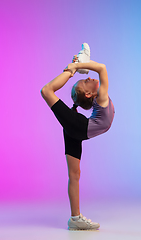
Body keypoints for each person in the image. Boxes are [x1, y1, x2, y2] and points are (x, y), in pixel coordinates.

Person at [40, 47, 115, 230]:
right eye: (85, 81)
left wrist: (80, 64)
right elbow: (102, 68)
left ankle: (75, 218)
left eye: (86, 78)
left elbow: (98, 70)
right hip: (78, 127)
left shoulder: (98, 97)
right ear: (89, 94)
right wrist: (74, 67)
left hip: (77, 129)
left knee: (74, 175)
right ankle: (70, 71)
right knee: (47, 91)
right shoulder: (101, 96)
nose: (89, 77)